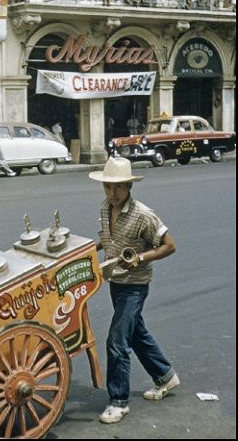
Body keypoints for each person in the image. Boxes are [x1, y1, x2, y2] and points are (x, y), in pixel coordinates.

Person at [89, 157, 179, 424]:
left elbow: (170, 245)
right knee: (136, 333)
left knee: (117, 341)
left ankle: (119, 402)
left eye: (117, 187)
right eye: (107, 187)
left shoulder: (143, 214)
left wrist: (140, 258)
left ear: (129, 186)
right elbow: (107, 240)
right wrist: (86, 252)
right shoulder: (105, 208)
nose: (112, 193)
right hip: (115, 283)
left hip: (135, 286)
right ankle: (165, 376)